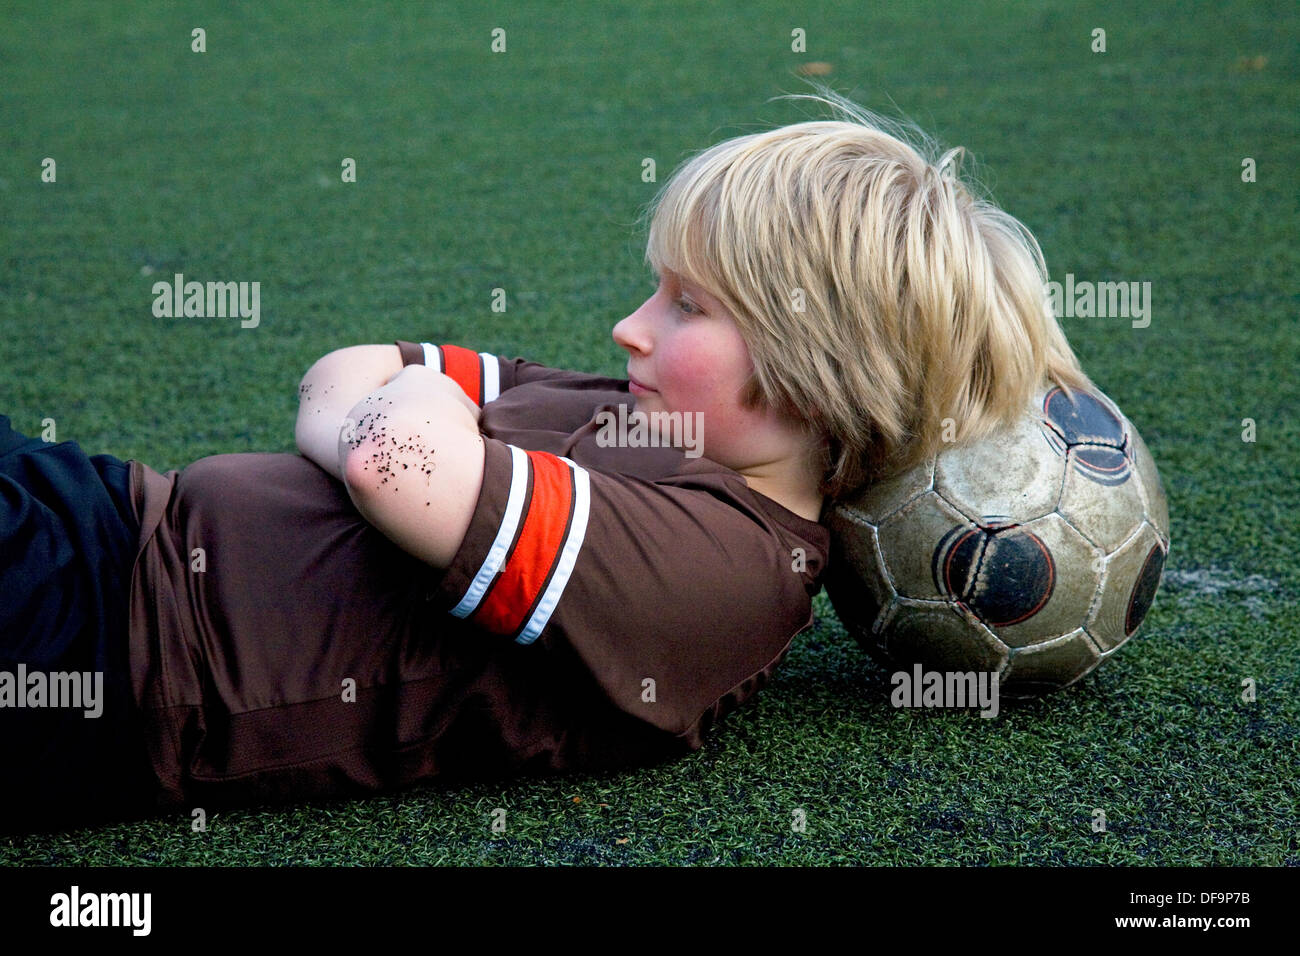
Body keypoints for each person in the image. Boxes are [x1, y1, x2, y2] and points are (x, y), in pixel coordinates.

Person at [0, 89, 1090, 833]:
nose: (630, 325)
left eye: (687, 305)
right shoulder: (634, 415)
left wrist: (412, 424)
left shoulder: (724, 566)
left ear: (816, 369)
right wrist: (411, 422)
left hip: (109, 655)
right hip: (107, 511)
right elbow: (342, 375)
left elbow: (389, 461)